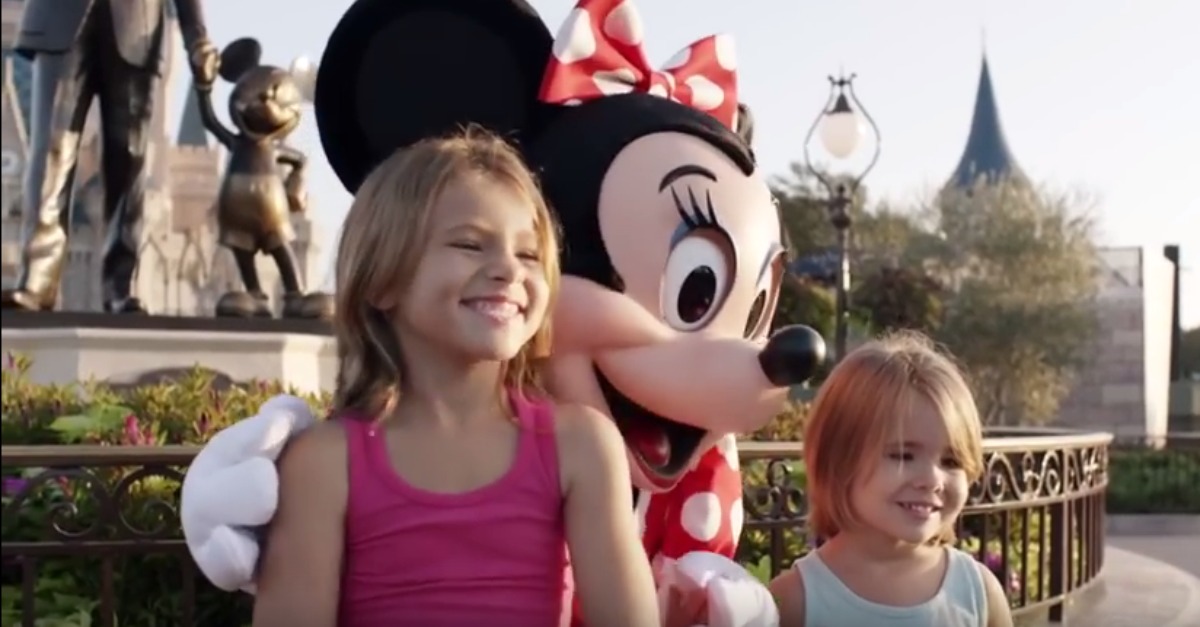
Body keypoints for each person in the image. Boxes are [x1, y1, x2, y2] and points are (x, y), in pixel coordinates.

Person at [251, 128, 660, 627]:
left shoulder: (582, 445)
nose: (508, 269)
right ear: (382, 281)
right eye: (469, 244)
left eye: (529, 254)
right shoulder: (323, 462)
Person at [768, 333, 1014, 627]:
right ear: (837, 459)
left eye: (951, 462)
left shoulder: (978, 593)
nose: (932, 479)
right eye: (903, 456)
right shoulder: (793, 601)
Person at [3, 0, 219, 313]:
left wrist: (196, 37)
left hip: (136, 25)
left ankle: (120, 283)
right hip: (59, 20)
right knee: (52, 148)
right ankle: (38, 277)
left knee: (129, 155)